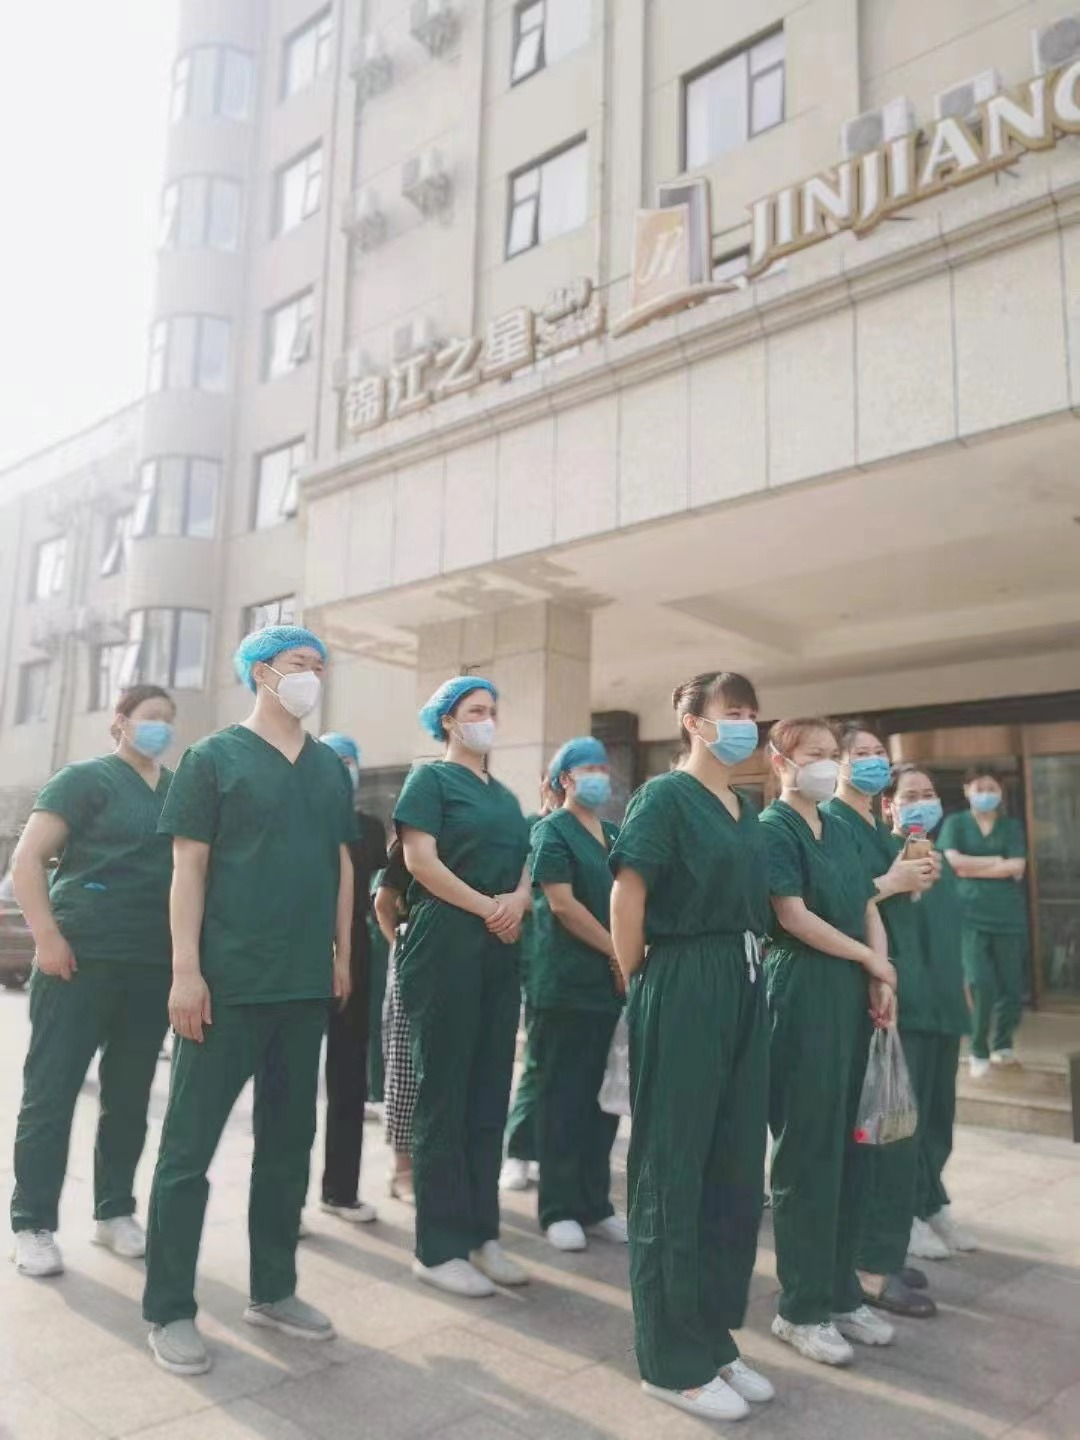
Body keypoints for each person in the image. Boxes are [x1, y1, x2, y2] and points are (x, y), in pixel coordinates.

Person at [142, 625, 357, 1376]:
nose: (314, 676)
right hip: (226, 986)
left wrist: (342, 953)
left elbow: (340, 864)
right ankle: (169, 1307)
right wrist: (186, 971)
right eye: (301, 664)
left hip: (302, 987)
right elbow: (188, 869)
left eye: (320, 666)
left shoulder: (328, 767)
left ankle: (274, 1289)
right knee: (188, 1151)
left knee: (288, 1146)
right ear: (261, 672)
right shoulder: (213, 759)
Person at [609, 671, 775, 1423]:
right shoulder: (664, 798)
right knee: (673, 1168)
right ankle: (670, 1359)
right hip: (683, 977)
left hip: (743, 977)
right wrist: (641, 979)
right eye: (731, 713)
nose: (746, 725)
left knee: (732, 1168)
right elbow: (629, 893)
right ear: (693, 721)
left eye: (752, 714)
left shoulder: (744, 807)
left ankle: (711, 1336)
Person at [9, 686, 177, 1277]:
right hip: (77, 959)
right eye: (150, 717)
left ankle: (114, 1212)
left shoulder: (178, 789)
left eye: (169, 720)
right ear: (120, 723)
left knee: (129, 1096)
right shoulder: (83, 780)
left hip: (150, 963)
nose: (161, 727)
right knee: (51, 1093)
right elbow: (26, 861)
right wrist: (48, 937)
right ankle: (32, 1224)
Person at [761, 717, 899, 1368]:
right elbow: (792, 915)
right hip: (804, 989)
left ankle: (842, 1293)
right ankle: (800, 1308)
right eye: (811, 754)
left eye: (829, 754)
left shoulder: (838, 828)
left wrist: (880, 970)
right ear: (780, 762)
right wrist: (865, 960)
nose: (823, 763)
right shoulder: (774, 829)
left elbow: (866, 903)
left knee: (853, 1151)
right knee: (809, 1152)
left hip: (850, 989)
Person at [395, 676, 532, 1297]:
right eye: (476, 710)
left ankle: (483, 1235)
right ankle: (438, 1247)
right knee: (444, 1093)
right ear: (447, 720)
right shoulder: (430, 781)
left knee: (489, 1091)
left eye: (492, 711)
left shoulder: (503, 795)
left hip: (499, 945)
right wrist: (488, 907)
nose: (487, 719)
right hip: (446, 941)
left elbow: (526, 863)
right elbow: (420, 861)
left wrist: (518, 901)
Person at [824, 724, 938, 1320]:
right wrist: (890, 882)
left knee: (899, 1130)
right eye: (859, 754)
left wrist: (909, 877)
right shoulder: (832, 822)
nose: (871, 762)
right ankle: (869, 1265)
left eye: (878, 754)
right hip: (861, 995)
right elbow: (825, 900)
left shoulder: (873, 824)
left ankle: (882, 1253)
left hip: (895, 989)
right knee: (880, 1134)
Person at [529, 737, 626, 1253]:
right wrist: (617, 951)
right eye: (588, 768)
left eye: (603, 767)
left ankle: (595, 1204)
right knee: (563, 1099)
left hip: (610, 990)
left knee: (603, 1100)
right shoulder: (551, 831)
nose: (599, 776)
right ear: (565, 778)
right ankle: (559, 1208)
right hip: (565, 986)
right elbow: (563, 905)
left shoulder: (613, 835)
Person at [883, 765, 977, 1260]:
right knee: (909, 1117)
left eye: (929, 793)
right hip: (909, 1006)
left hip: (944, 1004)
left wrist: (962, 988)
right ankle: (908, 1212)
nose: (922, 802)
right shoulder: (886, 859)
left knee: (941, 1113)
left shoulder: (941, 863)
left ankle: (932, 1199)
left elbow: (950, 935)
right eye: (911, 795)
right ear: (889, 806)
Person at [317, 733, 387, 1225]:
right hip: (302, 945)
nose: (345, 768)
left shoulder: (369, 827)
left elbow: (380, 891)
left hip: (356, 950)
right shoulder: (299, 819)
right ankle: (282, 1203)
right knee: (290, 1081)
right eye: (334, 760)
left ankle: (341, 1191)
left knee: (348, 1077)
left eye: (350, 760)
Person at [938, 768, 1029, 1077]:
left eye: (992, 788)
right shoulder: (956, 823)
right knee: (980, 982)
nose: (986, 794)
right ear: (967, 790)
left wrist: (972, 866)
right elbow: (952, 862)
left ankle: (1003, 1044)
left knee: (1010, 986)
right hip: (969, 916)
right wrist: (996, 862)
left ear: (1001, 792)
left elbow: (1018, 866)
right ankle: (978, 1048)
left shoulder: (1011, 826)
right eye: (980, 788)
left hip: (1008, 917)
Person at [501, 773, 559, 1193]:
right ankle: (519, 1150)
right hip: (540, 960)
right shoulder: (528, 829)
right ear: (546, 786)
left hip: (579, 967)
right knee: (538, 1062)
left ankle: (544, 1149)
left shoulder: (596, 833)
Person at [375, 841, 418, 1204]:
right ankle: (402, 1167)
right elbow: (383, 903)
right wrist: (401, 949)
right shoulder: (407, 843)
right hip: (411, 957)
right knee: (404, 1064)